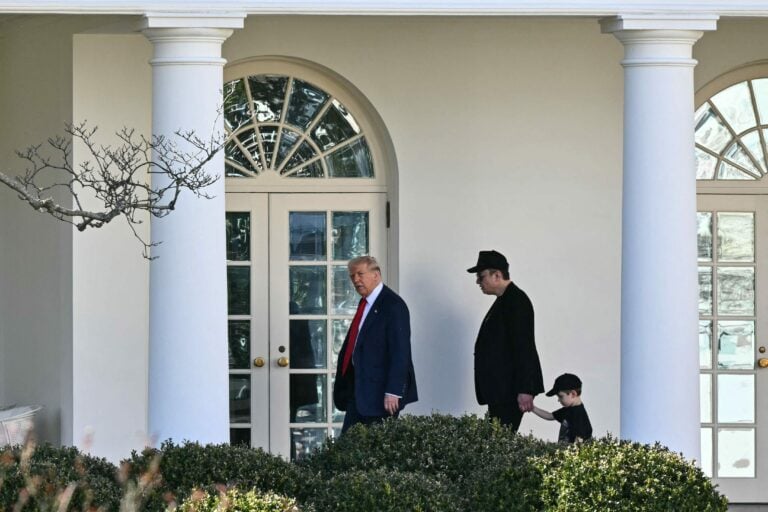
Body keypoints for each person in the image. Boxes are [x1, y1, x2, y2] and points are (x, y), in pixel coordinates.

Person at [333, 255, 418, 433]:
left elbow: (400, 351)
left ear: (376, 275)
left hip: (380, 395)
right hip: (359, 391)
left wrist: (394, 391)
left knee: (374, 451)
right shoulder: (365, 303)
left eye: (360, 274)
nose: (356, 280)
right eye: (352, 276)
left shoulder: (393, 305)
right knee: (348, 449)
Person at [468, 249, 544, 430]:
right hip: (501, 390)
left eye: (481, 276)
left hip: (509, 391)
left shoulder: (516, 302)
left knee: (500, 445)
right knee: (496, 443)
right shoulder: (506, 300)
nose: (478, 281)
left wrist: (525, 389)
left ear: (497, 275)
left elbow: (523, 346)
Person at [532, 373, 593, 444]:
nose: (558, 400)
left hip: (571, 453)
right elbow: (549, 416)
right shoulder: (568, 409)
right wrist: (532, 408)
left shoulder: (579, 415)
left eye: (560, 396)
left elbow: (580, 439)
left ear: (573, 394)